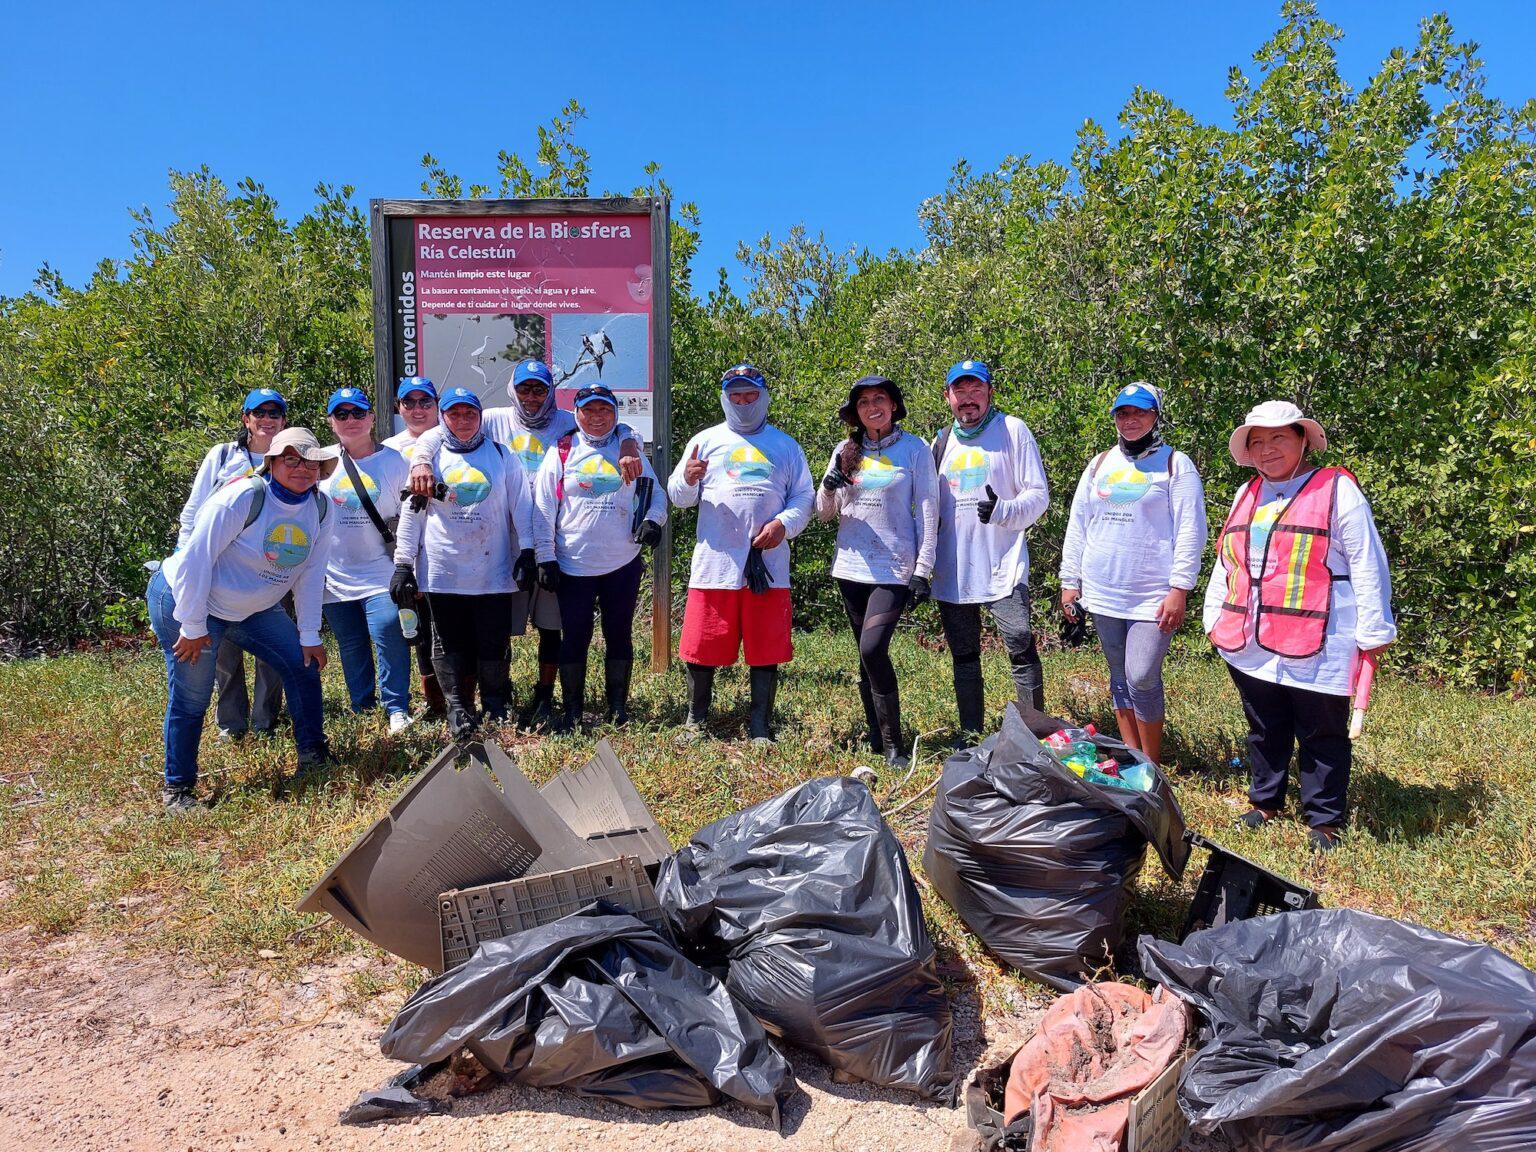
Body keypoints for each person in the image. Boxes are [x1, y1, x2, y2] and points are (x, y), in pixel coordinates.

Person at [1203, 400, 1396, 852]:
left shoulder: (1336, 489)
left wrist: (1374, 626)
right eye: (1258, 441)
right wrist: (1213, 614)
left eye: (1278, 438)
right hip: (1250, 638)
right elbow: (1227, 560)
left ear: (1303, 441)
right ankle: (1265, 801)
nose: (1268, 449)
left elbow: (1368, 561)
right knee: (1264, 725)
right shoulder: (1247, 493)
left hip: (1320, 638)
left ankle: (1324, 819)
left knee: (1320, 730)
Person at [406, 360, 643, 728]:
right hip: (504, 544)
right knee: (500, 627)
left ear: (551, 393)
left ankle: (545, 695)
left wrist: (628, 440)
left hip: (550, 542)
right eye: (524, 389)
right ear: (512, 390)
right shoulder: (494, 418)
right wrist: (421, 460)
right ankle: (493, 697)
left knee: (551, 625)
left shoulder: (568, 420)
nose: (532, 398)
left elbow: (616, 424)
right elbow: (440, 431)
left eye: (540, 390)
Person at [149, 429, 337, 811]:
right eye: (291, 460)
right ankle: (178, 789)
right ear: (271, 462)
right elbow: (195, 559)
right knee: (193, 694)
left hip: (253, 609)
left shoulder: (321, 508)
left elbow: (312, 574)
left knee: (303, 666)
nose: (302, 469)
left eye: (311, 462)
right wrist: (192, 625)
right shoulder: (243, 497)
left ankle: (313, 756)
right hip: (188, 600)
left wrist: (309, 633)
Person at [1059, 383, 1207, 764]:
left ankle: (1152, 766)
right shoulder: (1099, 463)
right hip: (1103, 589)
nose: (1130, 419)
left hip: (1152, 595)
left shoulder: (1177, 465)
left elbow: (1192, 529)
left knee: (1141, 675)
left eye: (1139, 412)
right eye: (1123, 413)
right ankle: (1132, 756)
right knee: (1119, 676)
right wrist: (1069, 582)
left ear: (1156, 415)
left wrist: (1180, 588)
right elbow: (1079, 524)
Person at [667, 364, 814, 743]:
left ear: (763, 397)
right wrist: (687, 478)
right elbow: (678, 498)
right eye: (736, 395)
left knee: (765, 648)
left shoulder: (785, 445)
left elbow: (804, 497)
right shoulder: (705, 441)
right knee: (702, 645)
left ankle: (760, 726)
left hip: (767, 565)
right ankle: (696, 719)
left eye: (751, 395)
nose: (744, 402)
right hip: (716, 564)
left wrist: (784, 524)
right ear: (725, 398)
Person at [391, 387, 535, 739]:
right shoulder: (428, 461)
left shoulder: (503, 456)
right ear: (444, 418)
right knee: (448, 641)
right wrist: (403, 564)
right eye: (454, 414)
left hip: (493, 572)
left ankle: (497, 703)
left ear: (480, 416)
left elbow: (523, 507)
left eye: (470, 413)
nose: (463, 421)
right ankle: (458, 705)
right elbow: (412, 515)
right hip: (443, 572)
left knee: (494, 640)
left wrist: (530, 552)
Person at [815, 375, 938, 769]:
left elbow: (929, 512)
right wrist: (830, 488)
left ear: (894, 405)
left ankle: (893, 746)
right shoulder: (844, 451)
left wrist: (923, 570)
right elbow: (824, 513)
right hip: (851, 567)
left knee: (873, 648)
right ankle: (875, 735)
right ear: (856, 412)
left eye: (880, 399)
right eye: (865, 401)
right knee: (864, 656)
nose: (873, 407)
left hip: (894, 567)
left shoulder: (915, 449)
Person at [533, 384, 667, 731]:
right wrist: (545, 557)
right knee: (575, 635)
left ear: (616, 414)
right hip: (573, 562)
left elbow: (657, 496)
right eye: (589, 410)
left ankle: (618, 708)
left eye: (604, 411)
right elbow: (544, 508)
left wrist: (654, 521)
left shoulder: (631, 452)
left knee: (619, 633)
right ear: (576, 414)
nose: (597, 418)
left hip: (622, 562)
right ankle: (573, 709)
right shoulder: (562, 451)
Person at [930, 359, 1050, 741]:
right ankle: (971, 737)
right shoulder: (940, 442)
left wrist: (1004, 511)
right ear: (948, 397)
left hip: (1003, 563)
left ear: (989, 393)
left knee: (1019, 643)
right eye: (960, 391)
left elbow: (1038, 495)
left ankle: (1031, 735)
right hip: (954, 568)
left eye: (976, 390)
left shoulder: (1012, 430)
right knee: (964, 655)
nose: (968, 399)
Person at [175, 387, 289, 740]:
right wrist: (185, 559)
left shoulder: (290, 458)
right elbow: (193, 512)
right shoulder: (223, 456)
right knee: (225, 651)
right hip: (222, 569)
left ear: (284, 420)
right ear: (246, 419)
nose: (267, 420)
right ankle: (232, 723)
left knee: (272, 650)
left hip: (273, 568)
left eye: (275, 414)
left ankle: (266, 721)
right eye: (260, 413)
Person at [319, 386, 413, 733]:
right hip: (333, 574)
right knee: (351, 643)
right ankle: (362, 705)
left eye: (358, 413)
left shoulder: (393, 462)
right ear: (331, 422)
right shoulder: (321, 462)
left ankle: (396, 708)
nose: (351, 420)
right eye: (341, 414)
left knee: (389, 631)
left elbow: (410, 517)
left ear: (372, 418)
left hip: (380, 571)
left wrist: (408, 566)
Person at [382, 376, 446, 715]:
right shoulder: (389, 448)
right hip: (407, 547)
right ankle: (433, 699)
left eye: (425, 402)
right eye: (409, 403)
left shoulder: (455, 439)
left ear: (437, 405)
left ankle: (462, 694)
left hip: (449, 549)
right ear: (398, 407)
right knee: (417, 625)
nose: (418, 409)